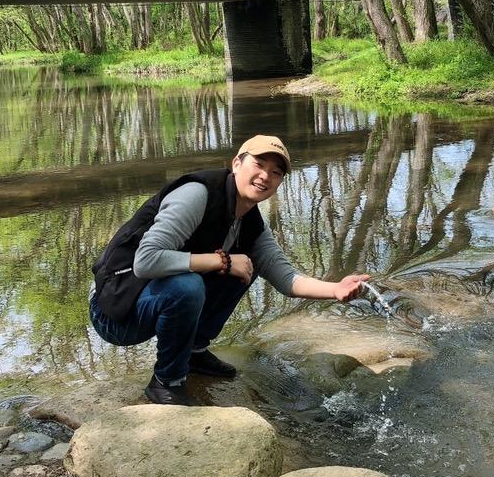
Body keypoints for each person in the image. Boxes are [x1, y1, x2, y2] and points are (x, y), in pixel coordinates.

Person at [89, 134, 369, 406]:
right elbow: (145, 260)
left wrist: (336, 289)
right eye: (258, 165)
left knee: (247, 263)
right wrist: (220, 260)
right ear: (237, 163)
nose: (265, 176)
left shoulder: (250, 222)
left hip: (147, 297)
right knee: (190, 284)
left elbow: (285, 278)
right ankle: (166, 382)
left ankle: (194, 352)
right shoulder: (197, 194)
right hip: (114, 309)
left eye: (275, 172)